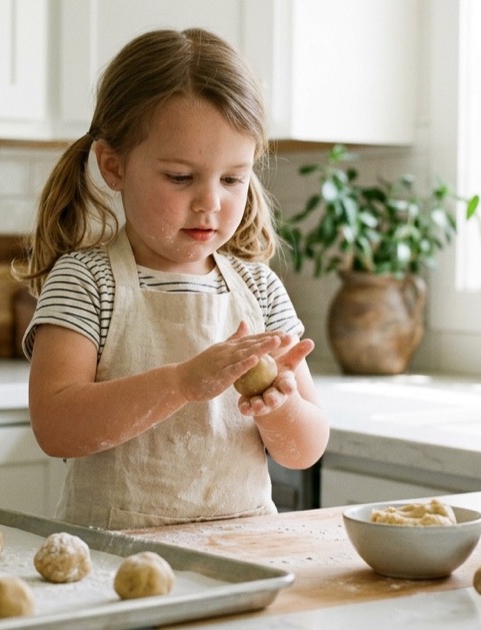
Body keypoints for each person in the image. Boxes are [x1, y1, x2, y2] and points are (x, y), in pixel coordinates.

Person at [20, 28, 328, 530]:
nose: (211, 202)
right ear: (113, 165)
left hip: (244, 552)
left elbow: (306, 450)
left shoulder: (260, 290)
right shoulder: (86, 281)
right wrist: (183, 382)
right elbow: (56, 427)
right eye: (181, 177)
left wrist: (281, 405)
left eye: (232, 179)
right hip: (115, 560)